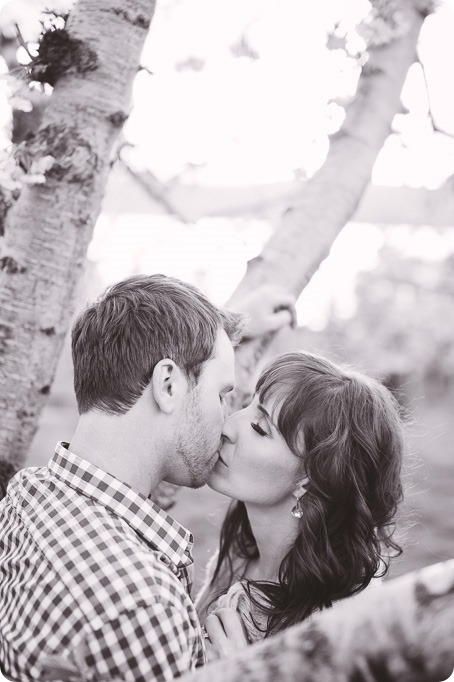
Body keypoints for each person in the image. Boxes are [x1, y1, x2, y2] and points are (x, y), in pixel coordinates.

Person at [0, 274, 295, 682]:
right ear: (167, 385)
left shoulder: (27, 494)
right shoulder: (144, 605)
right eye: (222, 394)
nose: (227, 420)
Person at [196, 350, 405, 657]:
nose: (228, 427)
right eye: (246, 405)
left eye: (259, 428)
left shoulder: (341, 628)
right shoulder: (239, 556)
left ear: (310, 481)